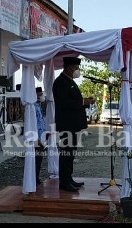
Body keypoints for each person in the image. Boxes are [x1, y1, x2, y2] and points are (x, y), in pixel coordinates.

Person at [52, 56, 92, 192]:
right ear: (69, 67)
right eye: (76, 68)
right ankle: (64, 182)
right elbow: (63, 103)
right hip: (66, 124)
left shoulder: (70, 81)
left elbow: (74, 101)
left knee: (71, 153)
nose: (77, 71)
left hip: (74, 124)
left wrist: (85, 102)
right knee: (66, 153)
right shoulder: (60, 82)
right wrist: (82, 102)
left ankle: (69, 178)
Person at [34, 87, 48, 186]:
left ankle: (36, 177)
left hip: (41, 136)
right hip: (36, 138)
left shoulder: (39, 106)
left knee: (39, 158)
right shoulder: (33, 107)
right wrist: (37, 138)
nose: (42, 96)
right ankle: (34, 178)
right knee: (36, 158)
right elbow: (34, 124)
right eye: (40, 94)